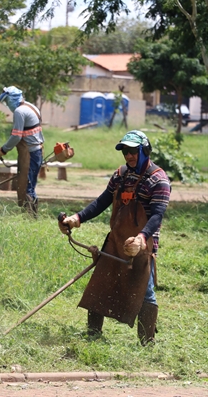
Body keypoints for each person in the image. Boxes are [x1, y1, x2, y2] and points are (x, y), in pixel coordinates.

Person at [58, 130, 171, 345]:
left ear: (145, 151)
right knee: (100, 284)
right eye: (125, 151)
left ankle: (147, 344)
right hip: (116, 240)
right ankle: (93, 336)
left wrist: (140, 238)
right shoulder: (120, 175)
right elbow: (102, 202)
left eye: (133, 151)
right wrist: (77, 218)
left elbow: (157, 215)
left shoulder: (159, 180)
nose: (128, 156)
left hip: (143, 245)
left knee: (144, 292)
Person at [0, 86, 44, 216]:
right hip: (36, 151)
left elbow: (16, 136)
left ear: (12, 98)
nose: (7, 104)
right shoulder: (31, 106)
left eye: (7, 101)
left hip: (30, 153)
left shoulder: (19, 112)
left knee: (27, 187)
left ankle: (30, 217)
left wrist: (3, 150)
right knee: (29, 185)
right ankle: (29, 215)